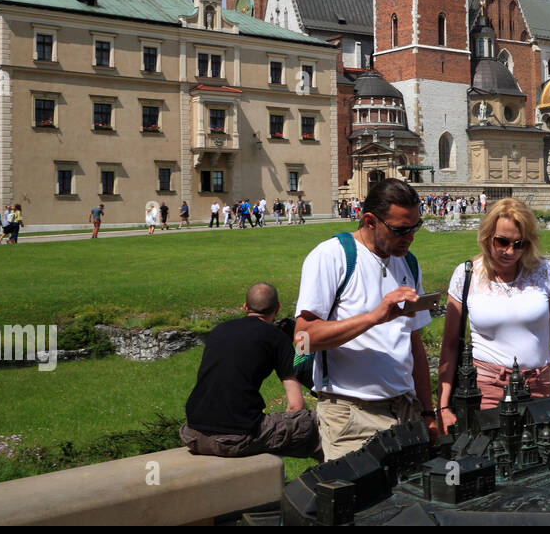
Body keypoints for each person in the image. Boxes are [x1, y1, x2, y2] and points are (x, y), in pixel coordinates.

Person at [295, 178, 436, 460]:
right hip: (351, 415)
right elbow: (301, 342)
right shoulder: (332, 256)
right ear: (370, 221)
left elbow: (413, 343)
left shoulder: (408, 262)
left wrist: (428, 412)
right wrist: (373, 317)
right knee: (359, 501)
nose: (410, 236)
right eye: (400, 229)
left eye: (415, 227)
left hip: (405, 410)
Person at [437, 198, 550, 431]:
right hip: (486, 390)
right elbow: (450, 345)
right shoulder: (466, 275)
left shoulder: (545, 272)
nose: (509, 251)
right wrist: (442, 407)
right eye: (502, 241)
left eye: (519, 244)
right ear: (487, 237)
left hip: (538, 387)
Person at [180, 282, 320, 460]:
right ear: (277, 308)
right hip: (236, 438)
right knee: (314, 424)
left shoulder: (218, 330)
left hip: (192, 434)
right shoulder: (276, 338)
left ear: (245, 307)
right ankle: (329, 482)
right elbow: (295, 405)